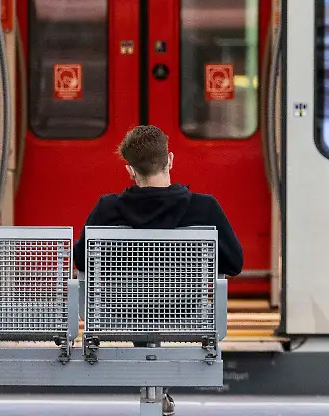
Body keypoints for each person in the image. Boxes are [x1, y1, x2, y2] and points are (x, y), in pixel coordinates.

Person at [72, 125, 244, 416]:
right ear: (171, 160)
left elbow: (80, 260)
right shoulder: (204, 208)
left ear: (130, 170)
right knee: (156, 303)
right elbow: (234, 264)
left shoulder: (107, 209)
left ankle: (153, 383)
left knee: (139, 301)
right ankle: (157, 388)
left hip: (122, 310)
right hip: (183, 309)